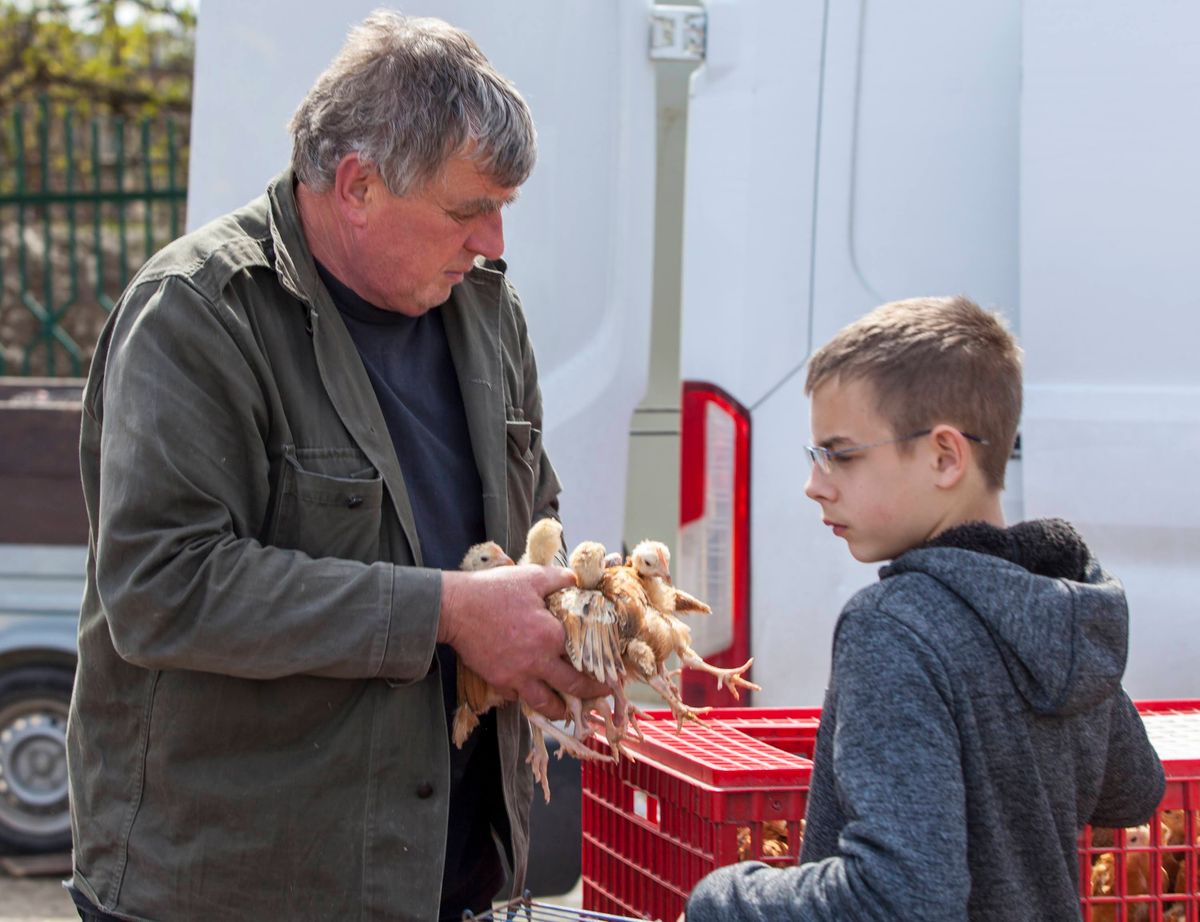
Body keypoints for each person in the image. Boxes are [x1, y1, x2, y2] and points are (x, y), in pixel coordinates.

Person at [65, 11, 609, 922]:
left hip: (444, 877)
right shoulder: (198, 314)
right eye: (469, 210)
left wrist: (553, 624)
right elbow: (162, 589)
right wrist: (445, 612)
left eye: (503, 211)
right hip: (239, 887)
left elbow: (530, 510)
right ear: (357, 185)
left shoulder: (485, 309)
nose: (494, 243)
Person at [684, 295, 1165, 921]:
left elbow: (899, 896)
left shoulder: (892, 627)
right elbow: (1135, 789)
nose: (815, 483)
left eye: (841, 454)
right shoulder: (1056, 608)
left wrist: (722, 899)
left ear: (944, 456)